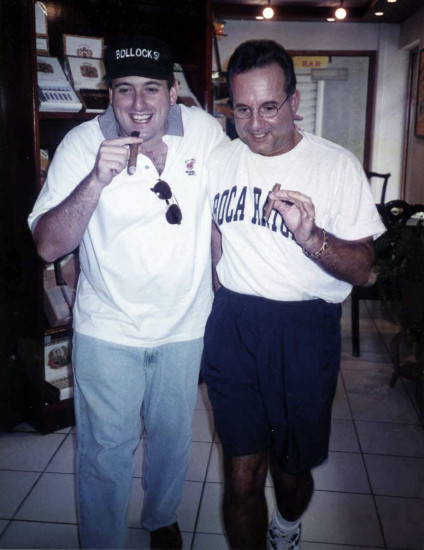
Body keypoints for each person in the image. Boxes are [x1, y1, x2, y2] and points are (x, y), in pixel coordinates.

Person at [28, 35, 228, 549]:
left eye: (151, 89)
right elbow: (48, 246)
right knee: (104, 451)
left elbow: (229, 209)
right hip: (109, 328)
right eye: (123, 90)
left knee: (172, 441)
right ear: (109, 94)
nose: (138, 105)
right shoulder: (81, 144)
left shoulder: (205, 134)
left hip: (184, 325)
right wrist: (96, 180)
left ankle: (161, 518)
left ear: (172, 90)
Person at [202, 39, 386, 550]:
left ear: (294, 102)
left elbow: (364, 269)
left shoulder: (336, 165)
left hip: (305, 332)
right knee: (240, 475)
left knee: (289, 473)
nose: (255, 124)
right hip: (235, 326)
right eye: (242, 109)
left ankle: (285, 526)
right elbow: (215, 241)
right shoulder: (222, 161)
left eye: (268, 107)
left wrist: (312, 239)